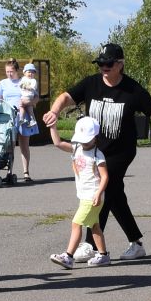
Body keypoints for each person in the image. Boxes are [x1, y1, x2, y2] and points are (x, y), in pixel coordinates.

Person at [42, 42, 151, 262]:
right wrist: (54, 111)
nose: (103, 67)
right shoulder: (91, 84)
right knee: (116, 195)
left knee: (104, 189)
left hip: (121, 152)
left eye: (108, 63)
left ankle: (90, 245)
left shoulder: (132, 89)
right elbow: (64, 97)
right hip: (95, 150)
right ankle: (136, 242)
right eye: (100, 63)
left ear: (120, 64)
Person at [47, 115, 111, 269]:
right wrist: (53, 126)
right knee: (94, 226)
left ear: (95, 137)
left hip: (93, 196)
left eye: (87, 139)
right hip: (85, 196)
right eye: (81, 139)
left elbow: (105, 176)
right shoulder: (77, 148)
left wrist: (98, 193)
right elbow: (58, 143)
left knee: (76, 223)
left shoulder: (97, 155)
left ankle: (68, 257)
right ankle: (103, 256)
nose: (84, 142)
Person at [0, 60, 28, 186]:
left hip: (21, 115)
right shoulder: (2, 83)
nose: (9, 74)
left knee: (24, 146)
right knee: (8, 145)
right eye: (7, 72)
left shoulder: (22, 83)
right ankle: (9, 170)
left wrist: (26, 102)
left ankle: (26, 172)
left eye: (11, 72)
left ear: (17, 71)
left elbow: (31, 95)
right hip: (7, 118)